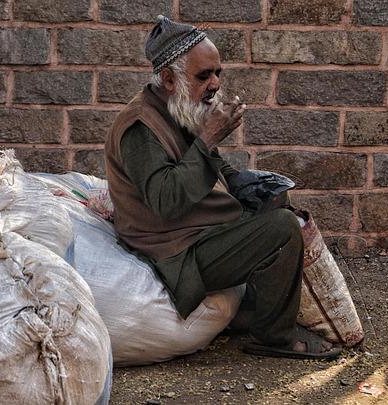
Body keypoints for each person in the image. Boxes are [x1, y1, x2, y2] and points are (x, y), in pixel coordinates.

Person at [104, 15, 341, 359]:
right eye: (204, 76)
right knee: (282, 229)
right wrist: (208, 137)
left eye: (218, 73)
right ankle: (275, 338)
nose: (215, 83)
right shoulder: (140, 127)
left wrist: (247, 183)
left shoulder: (174, 106)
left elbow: (205, 163)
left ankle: (254, 313)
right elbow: (166, 200)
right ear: (169, 79)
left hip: (195, 231)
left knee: (274, 201)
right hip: (174, 253)